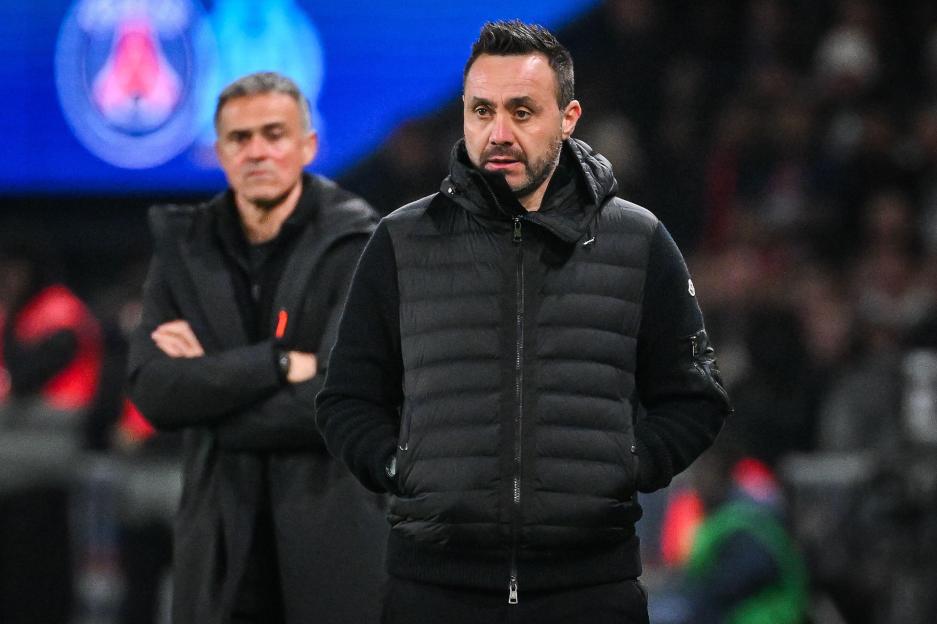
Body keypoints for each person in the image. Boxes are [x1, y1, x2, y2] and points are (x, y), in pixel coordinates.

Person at [316, 20, 732, 624]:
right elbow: (347, 401)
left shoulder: (637, 241)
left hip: (591, 591)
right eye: (482, 111)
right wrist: (400, 466)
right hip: (433, 592)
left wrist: (625, 466)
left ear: (568, 118)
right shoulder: (401, 242)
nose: (499, 133)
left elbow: (695, 398)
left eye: (522, 111)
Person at [127, 71, 386, 624]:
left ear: (307, 146)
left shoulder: (360, 244)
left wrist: (210, 397)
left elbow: (340, 404)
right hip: (218, 546)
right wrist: (278, 363)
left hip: (333, 543)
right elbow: (153, 392)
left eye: (274, 134)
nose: (257, 152)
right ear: (219, 152)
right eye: (240, 138)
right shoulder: (182, 248)